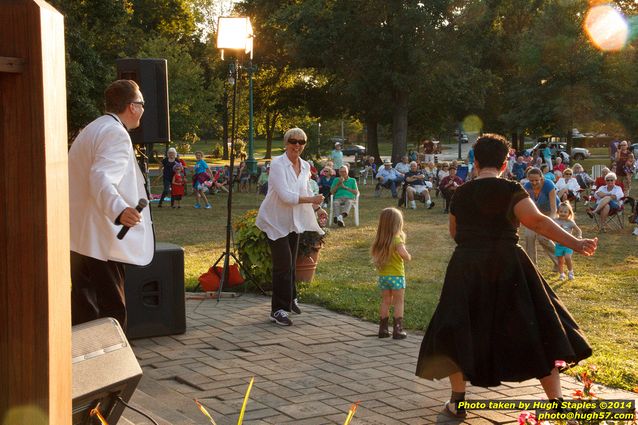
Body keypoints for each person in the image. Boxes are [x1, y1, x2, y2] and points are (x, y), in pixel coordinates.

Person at [415, 134, 597, 419]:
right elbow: (537, 221)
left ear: (474, 162)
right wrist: (575, 243)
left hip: (467, 267)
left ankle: (458, 402)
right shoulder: (511, 190)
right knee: (538, 327)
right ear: (504, 162)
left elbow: (455, 233)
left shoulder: (461, 193)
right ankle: (558, 404)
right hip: (508, 265)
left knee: (459, 328)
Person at [68, 80, 155, 330]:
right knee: (112, 310)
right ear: (132, 107)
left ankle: (85, 364)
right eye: (141, 103)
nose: (143, 109)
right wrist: (119, 210)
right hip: (101, 238)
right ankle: (114, 367)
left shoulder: (93, 128)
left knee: (85, 307)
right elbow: (101, 176)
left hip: (81, 237)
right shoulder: (115, 133)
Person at [256, 128, 327, 326]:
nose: (297, 145)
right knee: (283, 266)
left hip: (293, 221)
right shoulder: (278, 164)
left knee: (291, 264)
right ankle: (278, 310)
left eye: (301, 142)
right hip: (274, 220)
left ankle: (291, 298)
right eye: (293, 141)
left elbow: (303, 190)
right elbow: (286, 197)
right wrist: (311, 199)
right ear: (286, 143)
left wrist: (317, 207)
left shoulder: (305, 166)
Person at [370, 208, 411, 340]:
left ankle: (383, 329)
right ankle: (398, 330)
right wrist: (408, 256)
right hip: (397, 277)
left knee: (386, 301)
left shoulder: (380, 241)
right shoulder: (397, 240)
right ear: (397, 224)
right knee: (399, 302)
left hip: (384, 277)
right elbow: (404, 255)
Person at [523, 168, 560, 269]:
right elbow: (526, 206)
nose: (534, 183)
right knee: (528, 236)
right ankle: (532, 267)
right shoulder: (526, 187)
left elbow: (554, 209)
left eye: (536, 180)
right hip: (535, 212)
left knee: (543, 237)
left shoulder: (549, 185)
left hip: (549, 212)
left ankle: (559, 262)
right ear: (528, 179)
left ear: (541, 178)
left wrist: (550, 221)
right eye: (531, 180)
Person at [553, 202, 582, 281]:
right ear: (557, 212)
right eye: (561, 211)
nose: (563, 213)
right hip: (558, 245)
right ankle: (562, 274)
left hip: (568, 244)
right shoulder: (555, 221)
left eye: (565, 212)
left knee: (567, 257)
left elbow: (579, 230)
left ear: (569, 213)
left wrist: (579, 236)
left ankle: (570, 272)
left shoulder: (570, 222)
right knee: (560, 260)